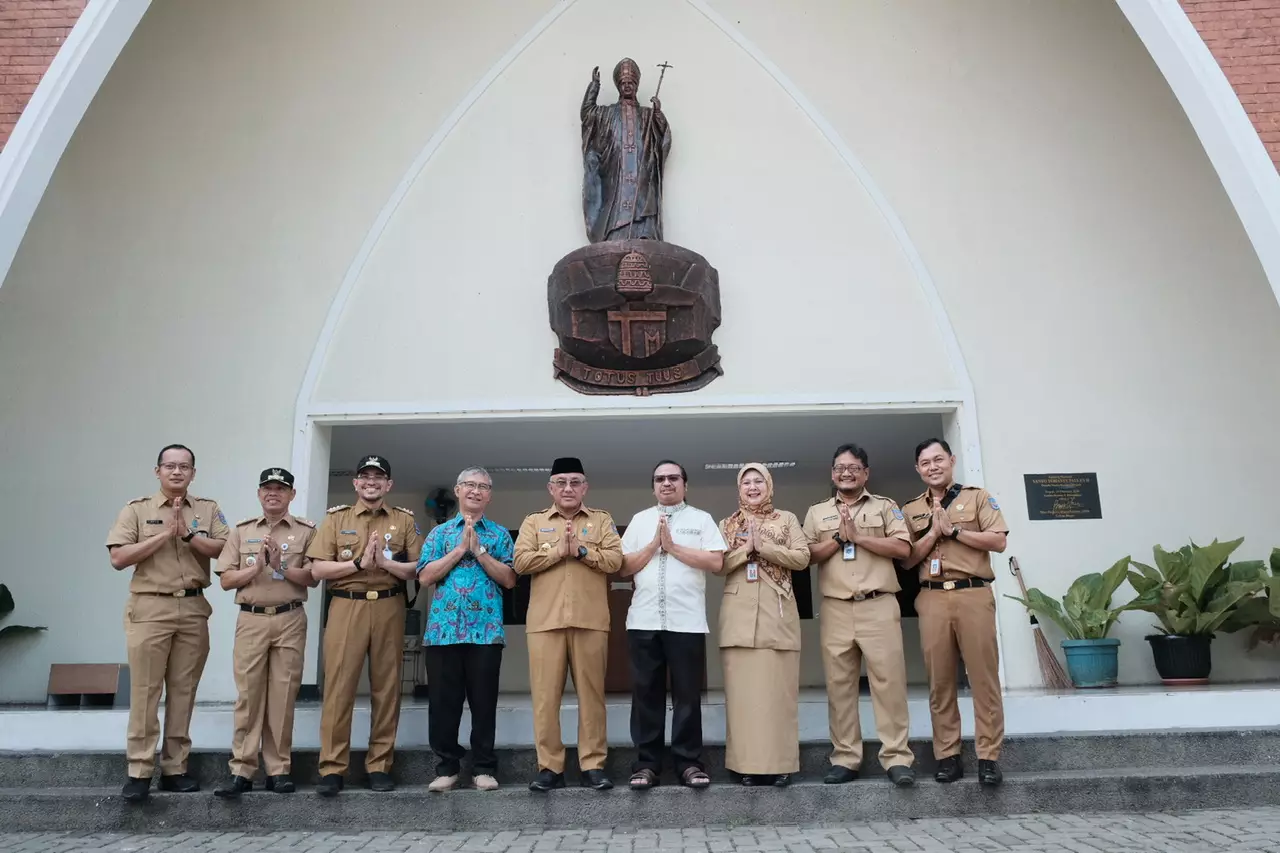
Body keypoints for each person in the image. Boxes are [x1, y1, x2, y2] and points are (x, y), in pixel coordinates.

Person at [106, 444, 229, 802]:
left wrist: (189, 536)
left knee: (183, 691)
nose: (177, 472)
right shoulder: (137, 510)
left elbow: (224, 549)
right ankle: (140, 770)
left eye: (185, 467)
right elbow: (118, 557)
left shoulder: (208, 509)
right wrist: (164, 535)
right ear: (157, 470)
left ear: (194, 473)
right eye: (170, 466)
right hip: (150, 608)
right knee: (145, 691)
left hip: (192, 609)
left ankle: (175, 768)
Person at [306, 454, 424, 796]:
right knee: (339, 689)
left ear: (389, 485)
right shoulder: (335, 519)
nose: (371, 482)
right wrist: (358, 564)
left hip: (389, 605)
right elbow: (318, 570)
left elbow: (418, 567)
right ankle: (332, 767)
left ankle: (380, 765)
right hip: (347, 606)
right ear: (355, 483)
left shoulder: (403, 521)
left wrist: (386, 563)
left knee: (387, 690)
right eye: (365, 476)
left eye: (379, 477)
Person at [802, 444, 915, 787]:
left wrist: (861, 537)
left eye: (853, 467)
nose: (846, 473)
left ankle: (897, 757)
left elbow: (903, 548)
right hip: (836, 607)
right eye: (839, 467)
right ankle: (846, 758)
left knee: (889, 684)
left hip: (878, 604)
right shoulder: (817, 511)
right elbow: (806, 555)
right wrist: (839, 538)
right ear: (832, 472)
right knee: (839, 687)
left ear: (866, 472)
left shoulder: (886, 506)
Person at [902, 438, 1010, 786]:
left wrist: (956, 531)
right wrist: (934, 533)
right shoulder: (910, 510)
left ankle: (988, 757)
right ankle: (948, 756)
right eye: (925, 462)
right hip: (932, 597)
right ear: (918, 469)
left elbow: (998, 540)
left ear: (951, 460)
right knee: (940, 681)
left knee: (984, 678)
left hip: (972, 594)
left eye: (938, 459)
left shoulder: (977, 497)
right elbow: (906, 559)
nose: (932, 466)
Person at [513, 457, 623, 792]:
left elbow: (616, 560)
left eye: (575, 482)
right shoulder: (534, 522)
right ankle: (550, 767)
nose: (568, 488)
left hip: (590, 621)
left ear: (585, 487)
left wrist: (581, 552)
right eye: (561, 482)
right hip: (545, 623)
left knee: (592, 696)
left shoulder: (602, 521)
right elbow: (519, 562)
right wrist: (557, 552)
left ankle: (593, 765)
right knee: (546, 699)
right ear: (550, 488)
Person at [619, 460, 725, 790]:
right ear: (653, 486)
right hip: (644, 620)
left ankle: (688, 763)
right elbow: (623, 567)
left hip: (687, 622)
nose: (666, 483)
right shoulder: (639, 521)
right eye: (660, 479)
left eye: (673, 478)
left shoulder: (701, 520)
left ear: (685, 484)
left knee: (687, 696)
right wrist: (653, 545)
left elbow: (716, 561)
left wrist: (674, 547)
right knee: (646, 695)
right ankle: (647, 764)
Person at [212, 468, 318, 798]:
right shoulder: (242, 531)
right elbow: (226, 579)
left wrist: (279, 567)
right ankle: (242, 769)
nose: (273, 493)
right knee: (248, 696)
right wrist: (256, 568)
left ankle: (278, 769)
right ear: (259, 494)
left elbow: (312, 578)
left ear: (291, 495)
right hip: (251, 620)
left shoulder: (306, 531)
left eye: (281, 489)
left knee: (283, 697)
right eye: (267, 488)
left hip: (289, 618)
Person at [416, 467, 517, 792]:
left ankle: (484, 768)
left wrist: (479, 550)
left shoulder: (500, 535)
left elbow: (509, 578)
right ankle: (446, 768)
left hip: (485, 633)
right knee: (443, 705)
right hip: (443, 633)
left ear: (489, 495)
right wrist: (460, 549)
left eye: (483, 487)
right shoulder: (440, 534)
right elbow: (425, 577)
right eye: (470, 485)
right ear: (458, 490)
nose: (476, 491)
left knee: (484, 704)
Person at [716, 463, 810, 787]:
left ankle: (781, 764)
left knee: (778, 696)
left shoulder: (785, 520)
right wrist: (745, 550)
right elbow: (719, 563)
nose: (753, 487)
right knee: (743, 700)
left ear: (769, 485)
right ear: (738, 489)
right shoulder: (727, 523)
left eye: (758, 481)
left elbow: (802, 557)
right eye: (746, 483)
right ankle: (746, 767)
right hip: (739, 618)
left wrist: (764, 547)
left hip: (777, 615)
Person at [580, 57, 672, 243]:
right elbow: (588, 114)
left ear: (636, 85)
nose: (627, 86)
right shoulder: (607, 113)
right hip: (616, 173)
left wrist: (658, 116)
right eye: (623, 83)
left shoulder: (647, 114)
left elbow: (662, 138)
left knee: (643, 203)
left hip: (642, 174)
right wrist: (594, 87)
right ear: (618, 87)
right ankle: (615, 235)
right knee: (615, 208)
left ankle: (643, 235)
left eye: (631, 83)